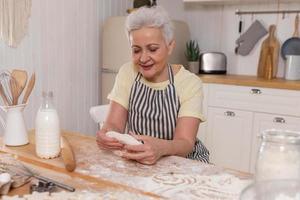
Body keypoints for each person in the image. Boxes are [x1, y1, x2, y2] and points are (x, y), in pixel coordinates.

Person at [96, 5, 209, 165]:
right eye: (136, 50)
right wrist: (107, 134)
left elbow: (185, 142)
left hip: (183, 162)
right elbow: (114, 123)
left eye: (152, 49)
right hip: (140, 159)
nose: (143, 58)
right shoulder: (128, 72)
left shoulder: (189, 83)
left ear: (170, 46)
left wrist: (160, 148)